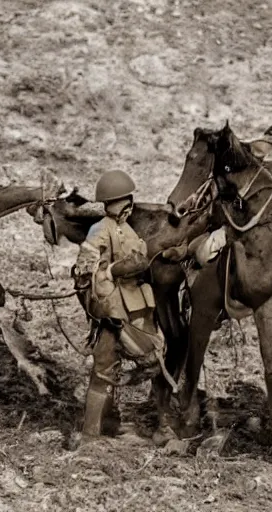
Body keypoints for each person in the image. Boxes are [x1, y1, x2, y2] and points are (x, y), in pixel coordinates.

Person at [72, 170, 165, 442]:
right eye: (121, 200)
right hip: (112, 312)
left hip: (135, 307)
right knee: (104, 367)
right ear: (109, 204)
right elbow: (84, 268)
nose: (127, 204)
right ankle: (90, 435)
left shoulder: (128, 228)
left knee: (146, 358)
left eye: (128, 199)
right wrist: (112, 270)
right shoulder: (100, 229)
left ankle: (111, 422)